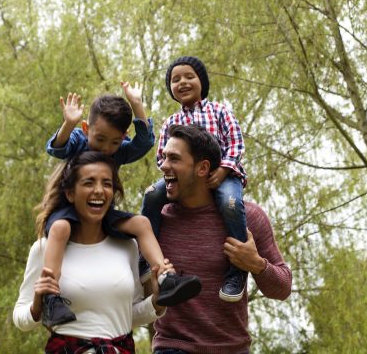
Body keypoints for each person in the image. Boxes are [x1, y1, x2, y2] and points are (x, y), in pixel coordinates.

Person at [42, 83, 200, 328]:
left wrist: (137, 105)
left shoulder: (118, 151)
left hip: (101, 213)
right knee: (61, 228)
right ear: (87, 129)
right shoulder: (79, 139)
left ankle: (166, 277)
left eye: (114, 142)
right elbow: (57, 148)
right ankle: (51, 299)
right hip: (67, 211)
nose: (106, 148)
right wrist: (69, 124)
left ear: (123, 138)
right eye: (100, 139)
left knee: (142, 222)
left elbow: (145, 143)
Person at [152, 124, 292, 354]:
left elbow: (283, 288)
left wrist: (256, 264)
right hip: (173, 347)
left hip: (233, 349)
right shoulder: (156, 220)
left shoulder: (249, 218)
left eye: (174, 159)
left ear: (202, 168)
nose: (163, 165)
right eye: (164, 157)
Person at [13, 151, 170, 353]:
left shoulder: (128, 247)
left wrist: (157, 302)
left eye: (107, 184)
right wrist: (37, 304)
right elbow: (20, 319)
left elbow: (129, 314)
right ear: (70, 193)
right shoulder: (44, 249)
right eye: (89, 183)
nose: (99, 190)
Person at [141, 56, 249, 302]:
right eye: (175, 80)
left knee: (230, 204)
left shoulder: (219, 111)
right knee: (151, 195)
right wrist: (171, 172)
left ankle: (237, 270)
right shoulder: (171, 122)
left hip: (223, 175)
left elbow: (235, 144)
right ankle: (145, 256)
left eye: (189, 77)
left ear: (202, 82)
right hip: (183, 178)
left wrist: (222, 169)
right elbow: (162, 158)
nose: (183, 83)